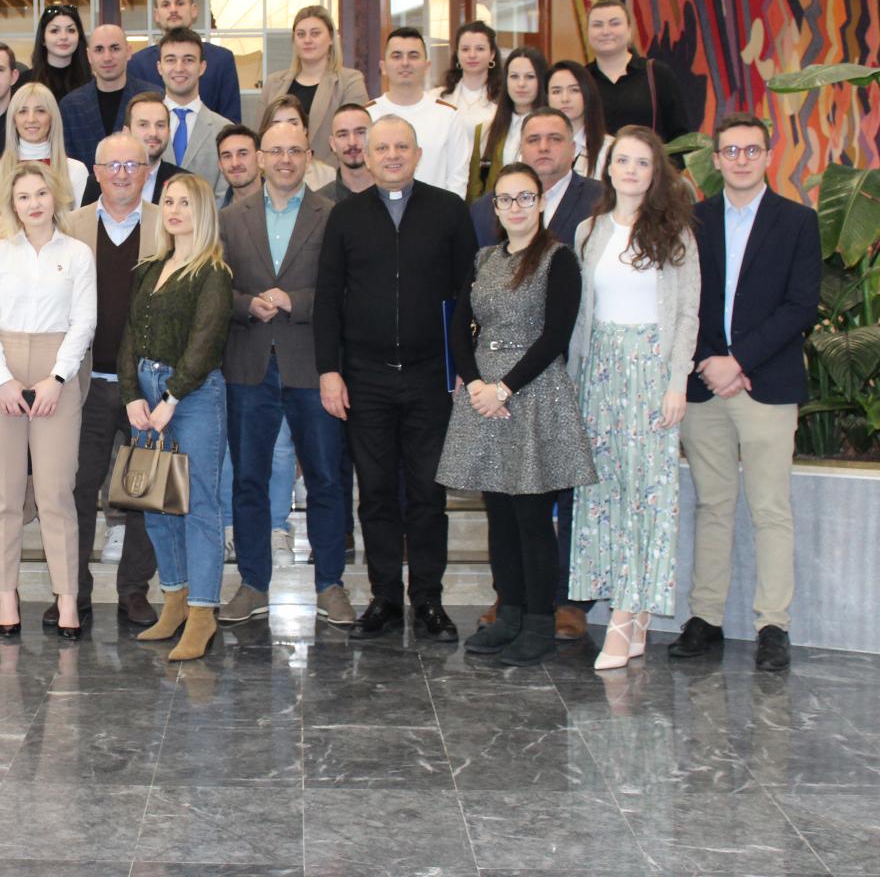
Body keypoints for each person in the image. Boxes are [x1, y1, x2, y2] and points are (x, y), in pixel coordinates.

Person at [314, 115, 477, 643]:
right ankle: (384, 597)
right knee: (377, 492)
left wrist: (465, 367)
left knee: (428, 492)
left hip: (431, 377)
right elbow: (327, 298)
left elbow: (469, 295)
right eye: (381, 147)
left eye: (400, 147)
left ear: (417, 153)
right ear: (366, 155)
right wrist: (329, 370)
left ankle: (428, 598)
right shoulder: (345, 216)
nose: (390, 156)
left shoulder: (449, 211)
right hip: (366, 378)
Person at [673, 112, 819, 672]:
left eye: (751, 150)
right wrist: (713, 361)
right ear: (715, 159)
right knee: (712, 504)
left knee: (770, 507)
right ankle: (706, 617)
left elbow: (800, 305)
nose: (740, 160)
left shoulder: (797, 222)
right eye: (730, 151)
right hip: (706, 383)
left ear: (768, 156)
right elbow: (685, 299)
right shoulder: (693, 221)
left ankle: (772, 625)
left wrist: (739, 360)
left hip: (766, 383)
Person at [438, 163, 596, 666]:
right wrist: (476, 384)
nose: (515, 207)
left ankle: (538, 623)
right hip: (483, 395)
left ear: (541, 203)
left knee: (531, 516)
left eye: (525, 197)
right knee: (500, 515)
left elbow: (555, 336)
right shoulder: (484, 258)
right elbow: (460, 324)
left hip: (533, 394)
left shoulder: (558, 259)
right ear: (495, 208)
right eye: (505, 199)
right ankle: (507, 614)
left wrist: (505, 388)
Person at [567, 127, 699, 671]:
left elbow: (687, 313)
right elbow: (580, 315)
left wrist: (676, 383)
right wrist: (574, 381)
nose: (630, 170)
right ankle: (635, 612)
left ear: (655, 172)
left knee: (647, 496)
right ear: (609, 168)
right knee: (605, 496)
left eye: (642, 162)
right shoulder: (589, 229)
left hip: (650, 374)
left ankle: (623, 619)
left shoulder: (674, 232)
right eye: (622, 160)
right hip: (599, 374)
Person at [217, 122, 354, 628]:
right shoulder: (230, 219)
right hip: (249, 364)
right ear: (259, 157)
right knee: (248, 479)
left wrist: (295, 301)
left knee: (325, 479)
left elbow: (344, 289)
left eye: (295, 151)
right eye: (275, 151)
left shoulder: (332, 216)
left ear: (310, 157)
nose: (285, 159)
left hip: (312, 365)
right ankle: (253, 584)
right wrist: (245, 304)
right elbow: (216, 289)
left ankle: (330, 585)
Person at [0, 162, 96, 639]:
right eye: (23, 196)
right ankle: (7, 594)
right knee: (3, 494)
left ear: (55, 196)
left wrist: (57, 378)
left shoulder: (78, 254)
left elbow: (84, 322)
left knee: (55, 492)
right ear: (12, 204)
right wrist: (2, 380)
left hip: (56, 368)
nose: (34, 203)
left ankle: (66, 598)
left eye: (41, 193)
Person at [118, 171, 233, 661]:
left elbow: (206, 342)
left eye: (185, 202)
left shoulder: (213, 271)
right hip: (146, 396)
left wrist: (170, 398)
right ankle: (175, 599)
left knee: (199, 504)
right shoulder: (150, 268)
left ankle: (203, 612)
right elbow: (129, 335)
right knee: (155, 502)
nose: (174, 210)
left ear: (203, 211)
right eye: (168, 202)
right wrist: (131, 395)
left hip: (193, 396)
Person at [63, 132, 163, 626]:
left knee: (143, 492)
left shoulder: (169, 223)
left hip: (145, 387)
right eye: (113, 166)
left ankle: (134, 591)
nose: (122, 174)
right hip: (85, 384)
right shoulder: (70, 225)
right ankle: (72, 593)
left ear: (147, 171)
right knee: (77, 489)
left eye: (132, 165)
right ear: (96, 173)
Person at [471, 107, 605, 250]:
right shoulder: (484, 209)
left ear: (573, 149)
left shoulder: (602, 199)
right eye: (533, 140)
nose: (543, 147)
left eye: (555, 139)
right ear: (520, 149)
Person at [363, 27, 473, 199]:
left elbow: (457, 181)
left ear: (427, 66)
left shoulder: (448, 116)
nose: (405, 63)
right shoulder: (366, 115)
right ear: (383, 67)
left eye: (413, 56)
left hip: (436, 213)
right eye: (397, 56)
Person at [260, 5, 369, 166]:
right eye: (301, 34)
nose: (307, 40)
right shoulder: (273, 83)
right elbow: (261, 136)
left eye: (315, 33)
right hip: (281, 173)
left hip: (332, 175)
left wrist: (321, 174)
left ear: (331, 38)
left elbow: (356, 138)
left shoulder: (350, 81)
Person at [128, 0, 242, 122]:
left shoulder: (222, 60)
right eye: (166, 4)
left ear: (194, 10)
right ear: (156, 15)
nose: (173, 9)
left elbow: (231, 124)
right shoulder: (137, 64)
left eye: (180, 3)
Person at [585, 0, 690, 144]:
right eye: (597, 25)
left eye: (614, 23)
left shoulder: (657, 74)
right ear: (588, 32)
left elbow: (682, 139)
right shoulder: (579, 80)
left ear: (629, 29)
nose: (606, 31)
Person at [0, 82, 89, 206]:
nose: (31, 119)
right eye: (23, 111)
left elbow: (82, 218)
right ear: (13, 119)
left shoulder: (75, 170)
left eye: (40, 111)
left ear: (52, 118)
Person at [156, 28, 230, 203]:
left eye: (188, 60)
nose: (179, 68)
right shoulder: (141, 127)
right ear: (159, 67)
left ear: (202, 67)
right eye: (171, 60)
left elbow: (224, 196)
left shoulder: (224, 130)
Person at [472, 47, 549, 200]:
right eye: (514, 76)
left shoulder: (553, 130)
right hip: (497, 210)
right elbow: (475, 189)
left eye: (530, 77)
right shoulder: (485, 131)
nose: (521, 84)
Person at [60, 24, 142, 166]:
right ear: (89, 56)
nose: (107, 57)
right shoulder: (70, 106)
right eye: (99, 49)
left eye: (115, 48)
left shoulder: (151, 98)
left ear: (129, 52)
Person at [429, 19, 502, 144]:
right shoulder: (437, 97)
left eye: (480, 49)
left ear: (492, 54)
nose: (472, 55)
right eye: (465, 49)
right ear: (457, 54)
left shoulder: (503, 98)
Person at [256, 94, 336, 192]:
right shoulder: (255, 178)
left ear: (305, 130)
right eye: (277, 124)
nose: (286, 129)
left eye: (293, 123)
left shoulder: (327, 175)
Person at [548, 60, 612, 179]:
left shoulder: (608, 148)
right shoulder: (537, 146)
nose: (565, 98)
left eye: (574, 90)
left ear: (587, 94)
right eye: (556, 91)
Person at [120, 92, 183, 204]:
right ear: (126, 132)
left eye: (160, 125)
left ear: (169, 132)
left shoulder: (184, 182)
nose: (153, 133)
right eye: (143, 125)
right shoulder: (100, 181)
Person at [28, 2, 91, 104]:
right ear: (43, 39)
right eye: (54, 31)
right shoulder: (25, 82)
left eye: (71, 30)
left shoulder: (92, 83)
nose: (64, 37)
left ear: (79, 37)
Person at [318, 103, 374, 204]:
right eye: (343, 135)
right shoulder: (319, 203)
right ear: (332, 144)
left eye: (360, 132)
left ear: (374, 137)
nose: (352, 142)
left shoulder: (396, 194)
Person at [216, 123, 262, 206]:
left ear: (259, 158)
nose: (235, 163)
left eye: (242, 154)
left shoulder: (282, 202)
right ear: (220, 165)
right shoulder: (214, 210)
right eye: (227, 156)